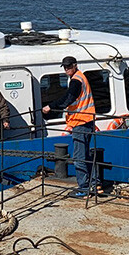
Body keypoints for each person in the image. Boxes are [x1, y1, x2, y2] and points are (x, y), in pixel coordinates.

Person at [41, 56, 97, 197]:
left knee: (79, 158)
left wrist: (51, 106)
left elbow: (68, 98)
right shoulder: (81, 77)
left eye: (68, 67)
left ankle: (84, 188)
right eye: (65, 67)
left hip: (81, 122)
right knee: (85, 154)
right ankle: (95, 184)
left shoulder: (76, 81)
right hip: (88, 120)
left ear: (75, 65)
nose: (66, 70)